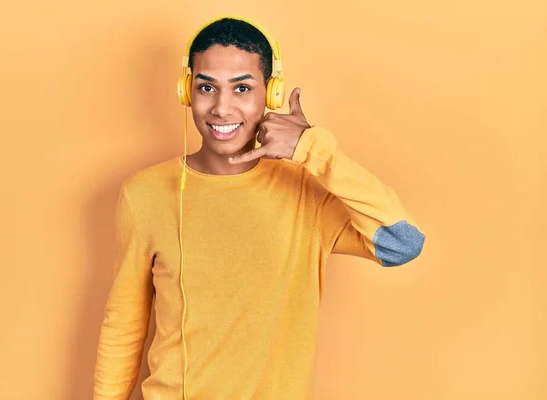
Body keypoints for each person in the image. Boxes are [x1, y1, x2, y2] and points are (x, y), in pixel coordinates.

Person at [93, 16, 425, 400]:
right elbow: (124, 325)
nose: (221, 107)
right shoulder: (146, 193)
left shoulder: (306, 193)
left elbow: (403, 243)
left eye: (242, 88)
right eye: (206, 87)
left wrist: (313, 148)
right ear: (187, 91)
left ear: (270, 94)